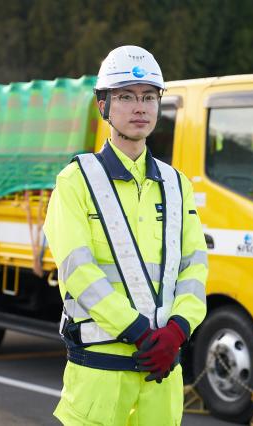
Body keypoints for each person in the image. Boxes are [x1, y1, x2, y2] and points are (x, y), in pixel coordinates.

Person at [43, 45, 208, 425]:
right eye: (126, 97)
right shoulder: (76, 181)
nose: (140, 107)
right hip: (100, 374)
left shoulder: (176, 184)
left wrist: (177, 330)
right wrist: (139, 332)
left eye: (149, 97)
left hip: (161, 375)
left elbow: (194, 267)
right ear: (103, 105)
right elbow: (78, 271)